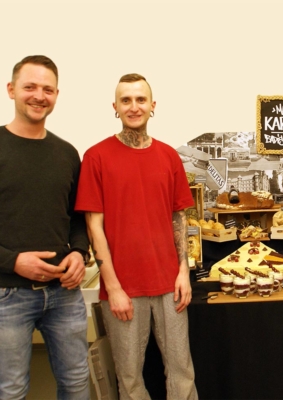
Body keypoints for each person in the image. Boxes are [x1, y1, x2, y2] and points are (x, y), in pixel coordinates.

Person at [75, 73, 198, 400]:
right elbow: (93, 227)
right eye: (126, 100)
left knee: (182, 371)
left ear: (152, 106)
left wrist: (183, 271)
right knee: (129, 378)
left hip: (170, 284)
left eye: (140, 99)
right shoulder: (96, 157)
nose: (134, 106)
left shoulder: (168, 156)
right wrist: (112, 286)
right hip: (123, 288)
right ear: (115, 107)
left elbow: (179, 216)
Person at [0, 55, 90, 399]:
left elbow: (76, 218)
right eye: (30, 87)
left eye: (48, 89)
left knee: (77, 383)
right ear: (11, 90)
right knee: (11, 390)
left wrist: (80, 254)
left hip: (64, 294)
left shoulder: (67, 153)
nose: (39, 96)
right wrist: (13, 262)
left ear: (56, 95)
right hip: (6, 294)